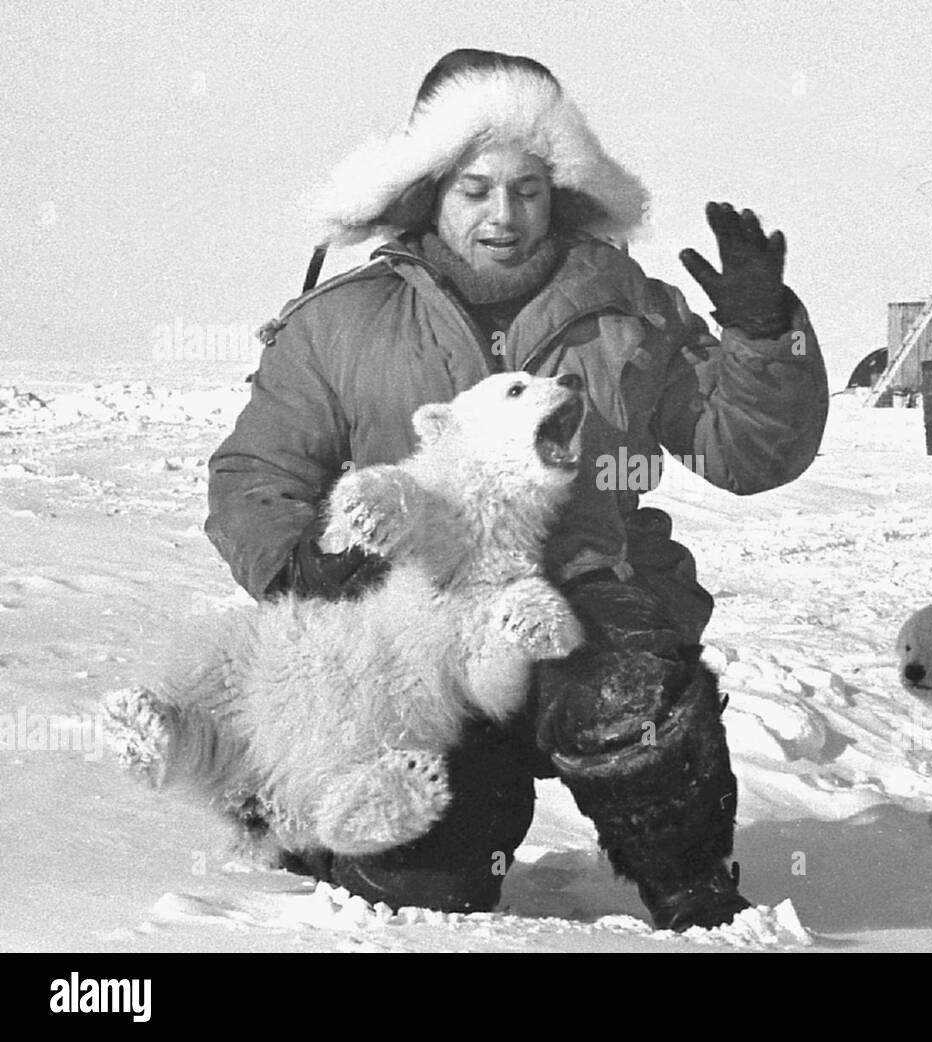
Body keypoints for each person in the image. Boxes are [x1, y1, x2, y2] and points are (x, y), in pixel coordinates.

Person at [206, 49, 828, 932]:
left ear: (560, 191)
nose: (504, 215)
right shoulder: (339, 324)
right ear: (431, 190)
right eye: (475, 188)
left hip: (589, 604)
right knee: (431, 886)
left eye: (528, 188)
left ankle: (697, 893)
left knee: (634, 695)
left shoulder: (630, 310)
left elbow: (746, 453)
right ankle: (325, 830)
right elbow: (253, 480)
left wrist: (764, 339)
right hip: (411, 632)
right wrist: (307, 563)